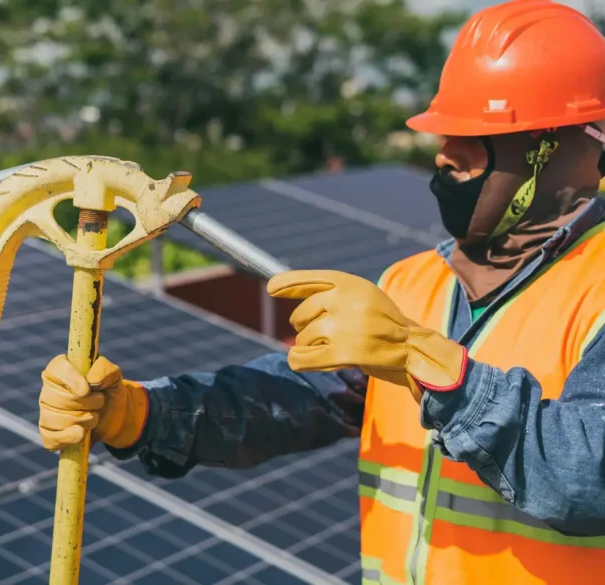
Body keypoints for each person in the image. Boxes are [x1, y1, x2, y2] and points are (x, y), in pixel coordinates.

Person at [36, 1, 605, 584]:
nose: (444, 154)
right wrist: (141, 413)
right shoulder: (410, 285)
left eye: (478, 138)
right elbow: (293, 398)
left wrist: (422, 359)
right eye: (447, 132)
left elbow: (587, 478)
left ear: (557, 151)